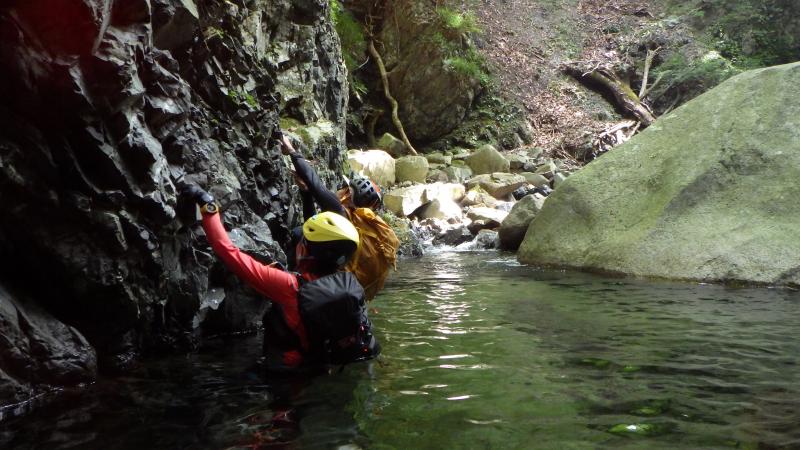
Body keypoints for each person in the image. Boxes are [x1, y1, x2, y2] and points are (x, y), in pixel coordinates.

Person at [182, 184, 380, 373]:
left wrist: (208, 205)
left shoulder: (288, 285)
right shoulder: (347, 284)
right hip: (319, 368)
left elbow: (227, 252)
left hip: (285, 374)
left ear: (305, 249)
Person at [281, 135, 399, 301]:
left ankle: (283, 278)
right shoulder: (359, 226)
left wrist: (292, 151)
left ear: (348, 194)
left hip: (320, 285)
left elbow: (315, 183)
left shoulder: (339, 211)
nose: (340, 189)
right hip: (342, 288)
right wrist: (305, 192)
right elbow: (313, 229)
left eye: (344, 187)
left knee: (297, 233)